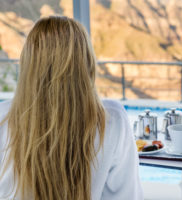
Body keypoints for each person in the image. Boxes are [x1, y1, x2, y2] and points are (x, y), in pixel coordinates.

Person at [0, 16, 143, 200]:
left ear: (29, 64)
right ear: (86, 62)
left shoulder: (4, 118)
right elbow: (127, 196)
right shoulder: (111, 120)